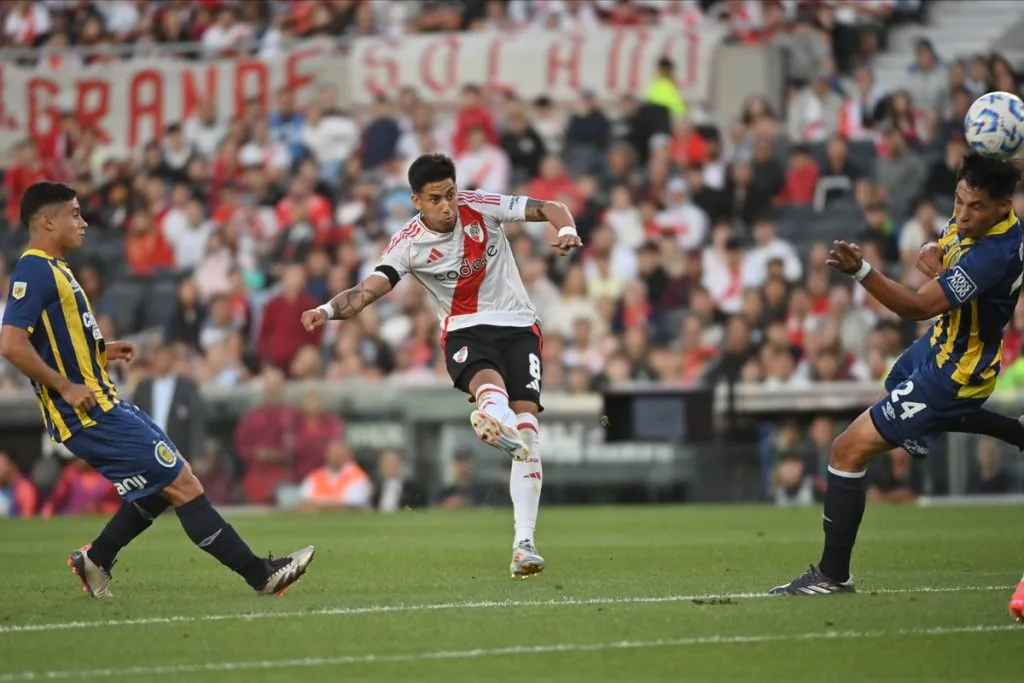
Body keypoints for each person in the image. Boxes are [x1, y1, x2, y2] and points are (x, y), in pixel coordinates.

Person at [0, 182, 314, 598]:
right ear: (47, 220)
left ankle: (97, 559)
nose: (84, 222)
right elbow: (11, 343)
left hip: (102, 403)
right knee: (182, 482)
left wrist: (100, 352)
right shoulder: (34, 268)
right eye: (74, 213)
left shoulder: (56, 268)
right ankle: (262, 575)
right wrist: (66, 386)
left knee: (161, 484)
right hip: (87, 411)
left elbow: (57, 340)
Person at [768, 154, 1024, 624]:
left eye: (976, 208)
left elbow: (915, 306)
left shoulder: (996, 254)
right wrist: (933, 246)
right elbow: (945, 247)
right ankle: (1015, 432)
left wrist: (863, 273)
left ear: (1003, 207)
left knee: (846, 450)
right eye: (959, 202)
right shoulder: (975, 220)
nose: (963, 215)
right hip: (937, 352)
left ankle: (832, 574)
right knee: (892, 385)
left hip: (954, 372)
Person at [301, 153, 583, 578]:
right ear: (417, 200)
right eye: (436, 199)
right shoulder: (408, 243)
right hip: (464, 329)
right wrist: (325, 309)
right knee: (491, 388)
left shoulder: (480, 205)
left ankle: (523, 542)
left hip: (519, 324)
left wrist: (566, 228)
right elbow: (365, 292)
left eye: (451, 194)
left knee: (529, 433)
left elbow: (546, 206)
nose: (448, 205)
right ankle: (495, 416)